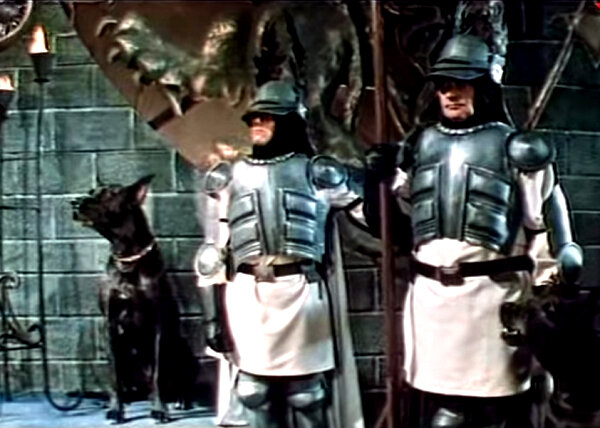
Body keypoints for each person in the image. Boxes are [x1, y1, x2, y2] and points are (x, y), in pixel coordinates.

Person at [364, 34, 583, 428]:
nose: (451, 94)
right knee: (446, 411)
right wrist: (376, 178)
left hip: (492, 300)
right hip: (432, 301)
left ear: (482, 88)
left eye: (462, 84)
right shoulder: (420, 147)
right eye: (443, 85)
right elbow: (393, 221)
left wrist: (548, 282)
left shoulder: (517, 149)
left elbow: (543, 226)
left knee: (499, 410)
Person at [195, 80, 364, 428]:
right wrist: (212, 318)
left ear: (287, 122)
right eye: (254, 118)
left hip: (300, 293)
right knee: (253, 392)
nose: (257, 123)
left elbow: (367, 212)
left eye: (267, 118)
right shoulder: (230, 177)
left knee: (307, 394)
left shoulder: (317, 173)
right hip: (248, 295)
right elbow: (214, 253)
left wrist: (380, 178)